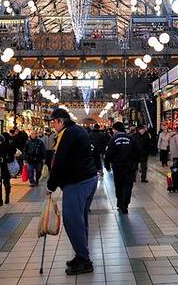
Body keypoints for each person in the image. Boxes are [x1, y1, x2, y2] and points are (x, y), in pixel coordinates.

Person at [46, 108, 98, 275]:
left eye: (53, 122)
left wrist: (51, 185)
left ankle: (84, 261)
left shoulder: (68, 134)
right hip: (88, 179)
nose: (53, 126)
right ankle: (81, 254)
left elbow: (60, 161)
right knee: (80, 220)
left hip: (78, 183)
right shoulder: (77, 131)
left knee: (72, 221)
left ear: (60, 121)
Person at [104, 122, 140, 214]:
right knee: (128, 186)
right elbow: (137, 152)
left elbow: (108, 153)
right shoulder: (131, 138)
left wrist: (107, 165)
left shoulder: (113, 139)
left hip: (117, 167)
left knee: (119, 185)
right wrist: (135, 164)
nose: (113, 131)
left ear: (116, 129)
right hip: (129, 167)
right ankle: (125, 205)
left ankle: (120, 203)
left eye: (113, 129)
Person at [0, 134, 15, 206]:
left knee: (7, 184)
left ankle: (7, 197)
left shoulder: (7, 147)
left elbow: (11, 157)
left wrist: (5, 160)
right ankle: (0, 200)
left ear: (1, 140)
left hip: (6, 168)